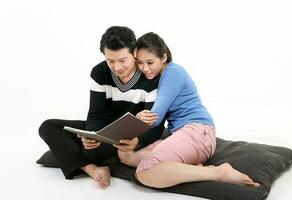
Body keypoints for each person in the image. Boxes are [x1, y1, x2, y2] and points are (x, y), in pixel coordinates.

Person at [116, 32, 260, 188]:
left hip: (198, 132)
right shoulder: (158, 76)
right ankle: (193, 168)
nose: (144, 68)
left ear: (164, 58)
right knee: (126, 156)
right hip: (181, 135)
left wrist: (137, 117)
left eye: (150, 62)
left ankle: (219, 172)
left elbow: (155, 118)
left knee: (145, 171)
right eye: (140, 63)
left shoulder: (173, 72)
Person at [38, 27, 165, 189]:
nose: (117, 67)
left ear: (134, 53)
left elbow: (156, 125)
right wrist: (92, 134)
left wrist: (137, 142)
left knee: (92, 153)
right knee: (48, 127)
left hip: (128, 137)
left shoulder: (149, 78)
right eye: (110, 61)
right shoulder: (99, 72)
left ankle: (80, 159)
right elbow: (96, 114)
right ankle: (92, 169)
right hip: (105, 132)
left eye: (122, 60)